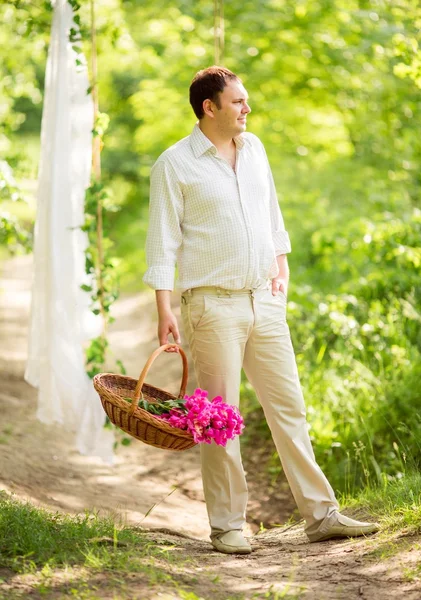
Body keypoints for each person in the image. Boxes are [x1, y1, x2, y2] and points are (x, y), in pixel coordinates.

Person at [143, 66, 380, 554]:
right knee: (219, 417)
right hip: (211, 306)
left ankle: (321, 515)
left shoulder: (255, 151)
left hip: (264, 301)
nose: (247, 109)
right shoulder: (174, 165)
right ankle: (227, 525)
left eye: (245, 101)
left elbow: (273, 216)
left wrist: (282, 275)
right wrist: (163, 309)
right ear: (209, 108)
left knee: (288, 408)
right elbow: (162, 243)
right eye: (237, 103)